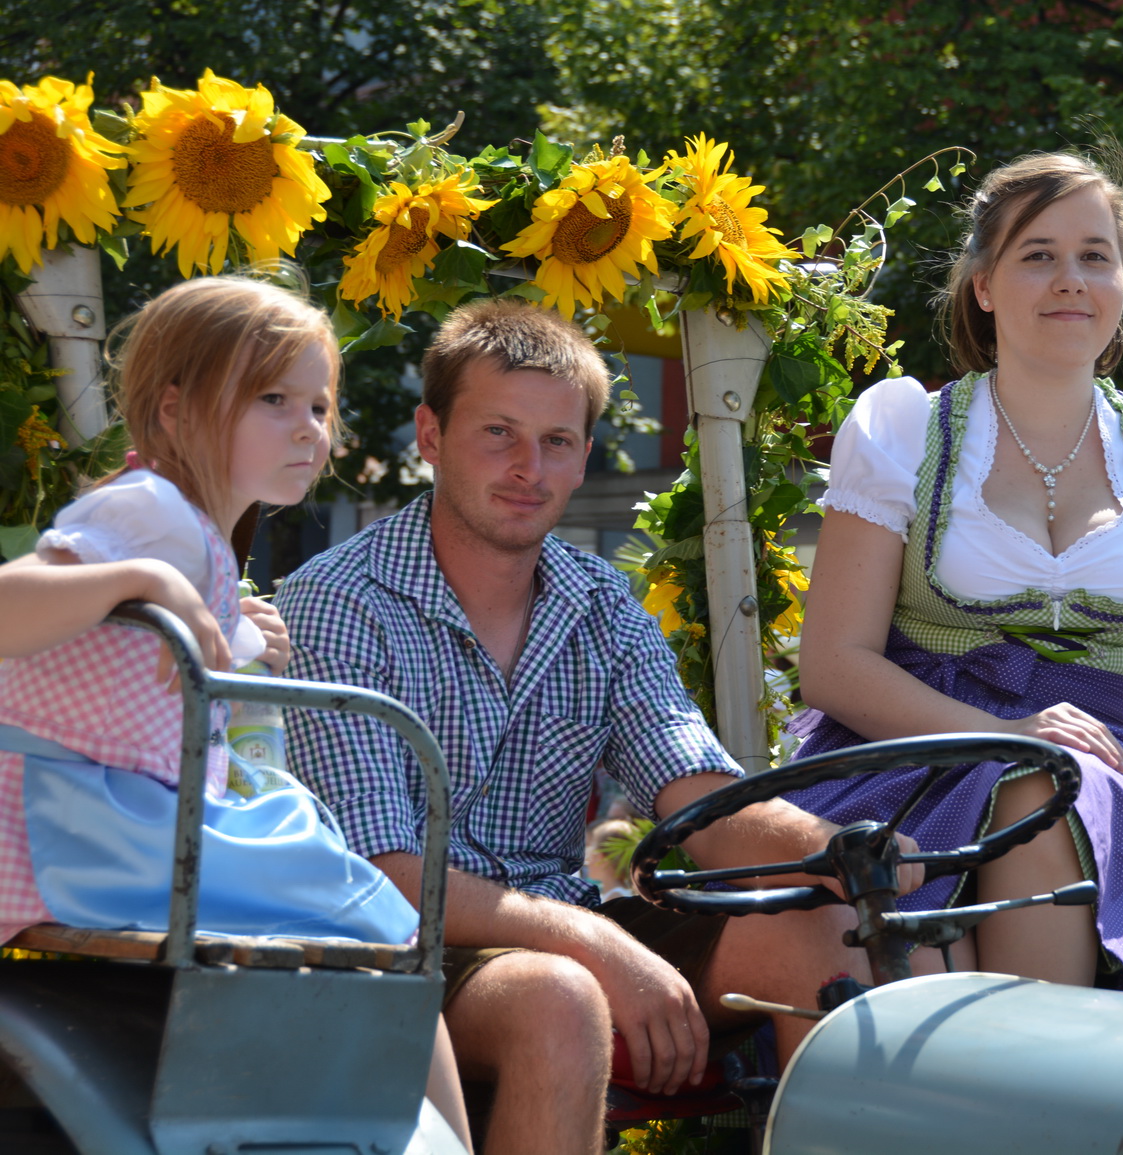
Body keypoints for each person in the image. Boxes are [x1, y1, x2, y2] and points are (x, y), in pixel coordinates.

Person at [278, 299, 926, 1155]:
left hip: (560, 924)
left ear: (585, 455)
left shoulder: (597, 602)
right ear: (430, 435)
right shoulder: (338, 601)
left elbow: (700, 794)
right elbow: (387, 876)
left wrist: (841, 848)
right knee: (559, 998)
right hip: (393, 954)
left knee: (834, 929)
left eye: (555, 442)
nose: (528, 467)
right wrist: (599, 947)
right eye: (499, 433)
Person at [789, 150, 1123, 996]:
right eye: (1037, 254)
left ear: (1122, 280)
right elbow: (833, 662)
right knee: (1032, 786)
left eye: (1096, 255)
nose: (1070, 280)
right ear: (983, 285)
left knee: (1050, 785)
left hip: (1105, 764)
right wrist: (1005, 731)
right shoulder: (906, 431)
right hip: (915, 754)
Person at [0, 273, 470, 1148]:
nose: (309, 427)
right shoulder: (151, 514)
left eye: (321, 404)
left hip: (121, 821)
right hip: (88, 828)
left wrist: (237, 633)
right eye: (272, 398)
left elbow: (151, 661)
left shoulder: (194, 534)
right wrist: (145, 580)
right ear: (175, 412)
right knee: (388, 923)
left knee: (373, 915)